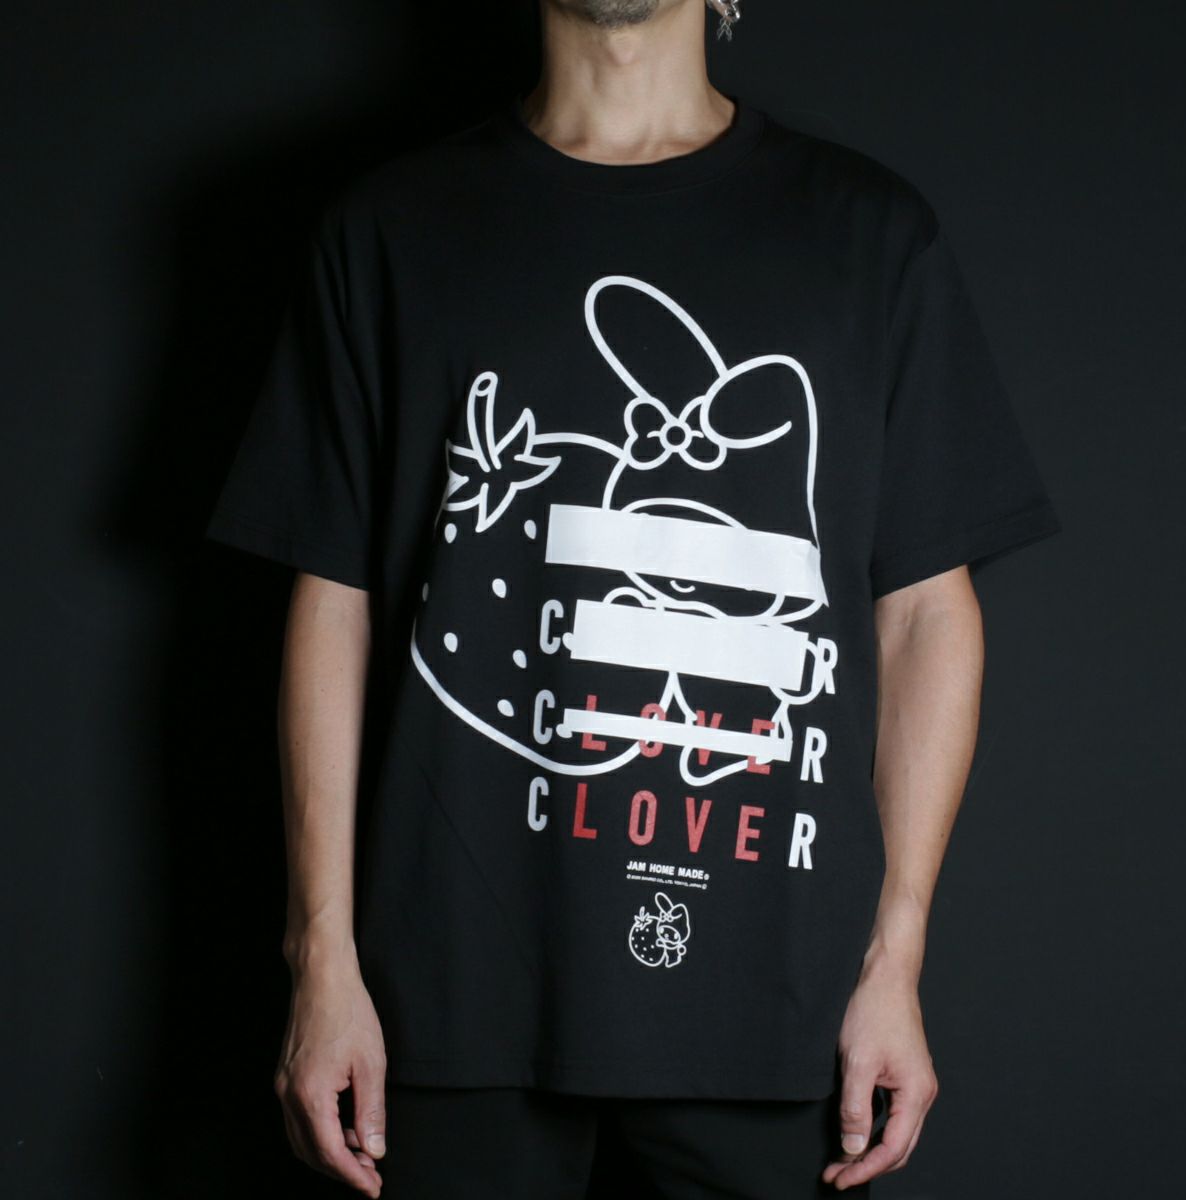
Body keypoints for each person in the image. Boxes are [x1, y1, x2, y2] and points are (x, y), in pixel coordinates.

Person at [203, 1, 1062, 1196]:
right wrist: (322, 958)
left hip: (782, 1014)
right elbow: (334, 601)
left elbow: (924, 611)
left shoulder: (869, 235)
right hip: (440, 1006)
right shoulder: (390, 229)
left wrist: (895, 960)